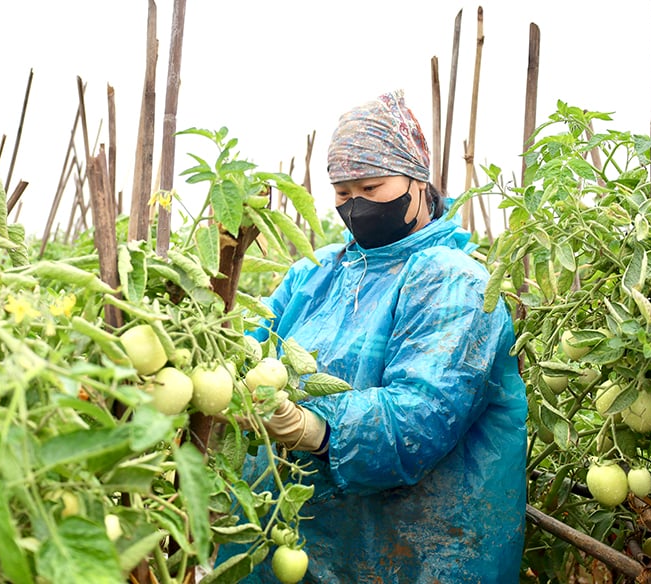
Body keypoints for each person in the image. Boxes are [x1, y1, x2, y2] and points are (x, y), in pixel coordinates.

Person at [220, 89, 528, 583]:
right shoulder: (315, 275)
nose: (355, 205)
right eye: (343, 193)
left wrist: (315, 427)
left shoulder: (454, 283)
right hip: (305, 545)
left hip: (419, 550)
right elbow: (249, 350)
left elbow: (425, 412)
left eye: (371, 186)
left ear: (418, 182)